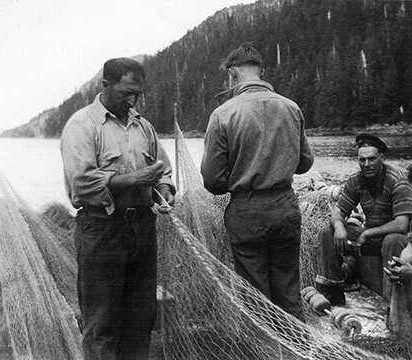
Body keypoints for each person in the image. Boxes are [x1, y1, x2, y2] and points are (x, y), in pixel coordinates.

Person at [61, 57, 175, 360]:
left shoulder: (143, 126)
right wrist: (138, 178)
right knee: (102, 323)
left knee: (141, 319)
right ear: (105, 85)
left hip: (142, 229)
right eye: (126, 92)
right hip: (101, 230)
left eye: (137, 93)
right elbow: (83, 183)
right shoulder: (81, 125)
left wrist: (164, 189)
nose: (133, 99)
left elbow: (162, 170)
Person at [200, 43, 314, 321]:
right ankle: (296, 350)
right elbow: (305, 163)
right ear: (262, 71)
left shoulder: (223, 114)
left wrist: (242, 174)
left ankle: (263, 349)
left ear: (232, 74)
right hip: (285, 206)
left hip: (247, 210)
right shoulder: (291, 108)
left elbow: (213, 181)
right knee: (288, 288)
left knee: (255, 296)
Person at [315, 133, 412, 306]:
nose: (366, 165)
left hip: (394, 240)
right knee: (328, 232)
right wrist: (339, 227)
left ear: (382, 157)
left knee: (393, 239)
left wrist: (367, 233)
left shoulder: (398, 182)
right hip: (370, 237)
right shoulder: (356, 180)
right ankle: (334, 291)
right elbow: (337, 213)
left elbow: (401, 225)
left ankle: (391, 302)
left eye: (372, 159)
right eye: (362, 160)